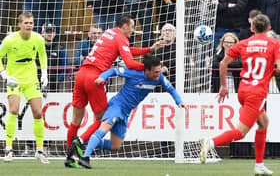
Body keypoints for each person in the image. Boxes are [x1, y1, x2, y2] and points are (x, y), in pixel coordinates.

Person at [65, 14, 166, 167]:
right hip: (95, 77)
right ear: (124, 26)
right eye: (132, 27)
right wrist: (149, 70)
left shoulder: (109, 32)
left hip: (81, 74)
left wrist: (149, 48)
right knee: (102, 119)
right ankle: (79, 142)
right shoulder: (121, 38)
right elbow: (130, 63)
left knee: (75, 121)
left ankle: (69, 157)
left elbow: (127, 50)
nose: (133, 30)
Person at [68, 54, 187, 169]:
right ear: (147, 70)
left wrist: (179, 101)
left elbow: (171, 89)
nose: (159, 74)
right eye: (156, 72)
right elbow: (114, 71)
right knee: (104, 127)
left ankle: (81, 142)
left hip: (125, 112)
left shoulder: (159, 78)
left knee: (115, 145)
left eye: (159, 71)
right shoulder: (134, 73)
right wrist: (103, 77)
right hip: (117, 106)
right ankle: (85, 157)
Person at [199, 14, 280, 175]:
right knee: (241, 132)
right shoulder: (274, 44)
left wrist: (223, 86)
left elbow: (223, 63)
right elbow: (278, 69)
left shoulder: (244, 43)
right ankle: (210, 143)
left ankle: (259, 165)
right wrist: (271, 69)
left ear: (252, 28)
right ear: (269, 28)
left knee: (263, 122)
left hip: (243, 90)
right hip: (256, 93)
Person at [0, 12, 49, 163]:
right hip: (14, 80)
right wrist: (4, 75)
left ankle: (40, 150)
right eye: (26, 23)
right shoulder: (9, 40)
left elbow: (42, 55)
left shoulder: (38, 39)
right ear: (19, 24)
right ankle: (8, 149)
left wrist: (44, 73)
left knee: (38, 113)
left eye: (31, 23)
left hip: (31, 80)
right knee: (14, 110)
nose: (29, 25)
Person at [41, 22, 69, 92]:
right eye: (47, 31)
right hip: (37, 81)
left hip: (54, 84)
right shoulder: (36, 47)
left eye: (52, 31)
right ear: (42, 33)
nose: (50, 34)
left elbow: (65, 69)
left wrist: (56, 81)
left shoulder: (61, 49)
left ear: (55, 33)